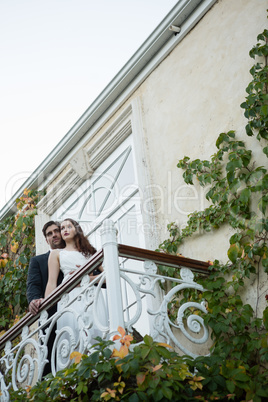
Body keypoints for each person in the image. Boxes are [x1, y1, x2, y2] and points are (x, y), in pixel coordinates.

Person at [45, 218, 107, 372]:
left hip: (92, 296)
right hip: (70, 298)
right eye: (62, 227)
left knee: (95, 332)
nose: (64, 229)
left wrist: (84, 279)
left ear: (76, 230)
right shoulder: (56, 254)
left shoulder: (89, 252)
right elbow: (52, 283)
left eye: (69, 226)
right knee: (74, 335)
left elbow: (107, 275)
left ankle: (100, 368)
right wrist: (44, 310)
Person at [26, 220, 65, 376]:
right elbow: (33, 284)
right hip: (52, 316)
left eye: (56, 231)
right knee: (51, 362)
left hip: (81, 308)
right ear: (46, 239)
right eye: (49, 234)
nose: (54, 235)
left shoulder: (79, 253)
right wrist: (34, 300)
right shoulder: (38, 261)